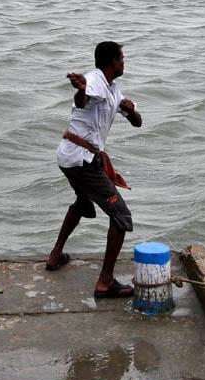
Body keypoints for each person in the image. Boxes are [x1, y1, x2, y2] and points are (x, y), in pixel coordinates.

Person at [46, 41, 142, 298]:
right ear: (112, 62)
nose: (124, 63)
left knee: (82, 201)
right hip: (81, 159)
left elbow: (137, 123)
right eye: (122, 58)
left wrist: (131, 111)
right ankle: (105, 282)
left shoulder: (113, 88)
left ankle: (56, 256)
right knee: (121, 217)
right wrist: (81, 89)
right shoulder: (95, 80)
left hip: (71, 155)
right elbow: (84, 99)